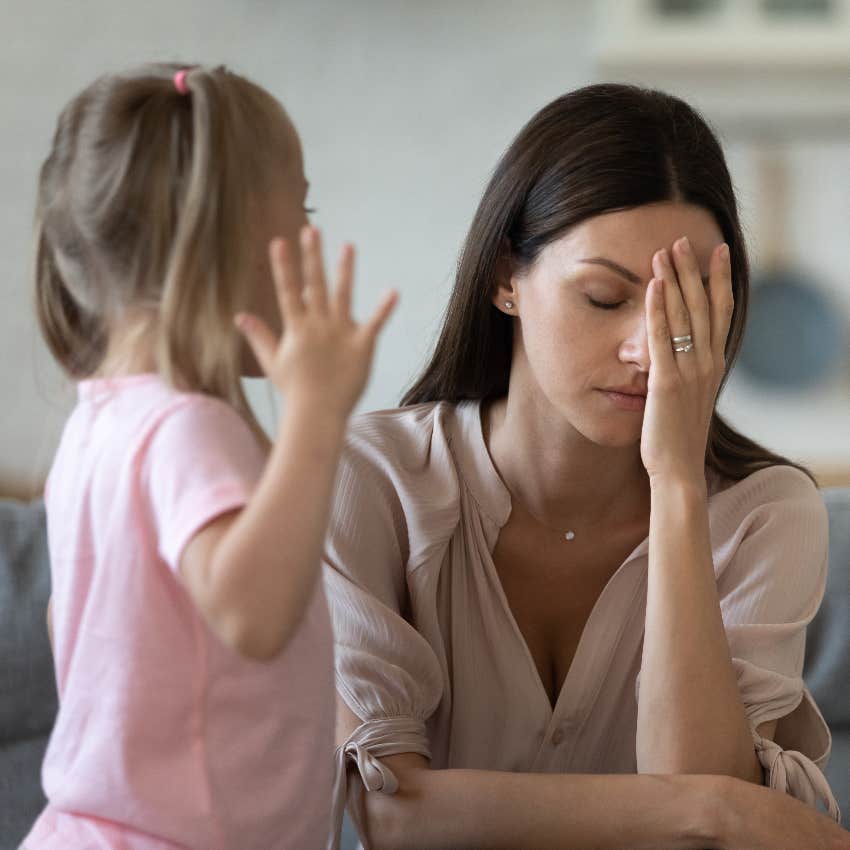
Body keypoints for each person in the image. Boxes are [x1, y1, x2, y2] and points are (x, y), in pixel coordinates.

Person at [325, 83, 849, 849]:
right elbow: (390, 817)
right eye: (605, 297)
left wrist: (675, 483)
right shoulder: (371, 479)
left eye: (686, 304)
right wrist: (715, 808)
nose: (646, 350)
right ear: (507, 277)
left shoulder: (767, 511)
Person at [23, 62, 396, 850]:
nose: (312, 238)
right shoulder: (188, 429)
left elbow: (76, 628)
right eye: (301, 209)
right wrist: (317, 415)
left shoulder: (97, 427)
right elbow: (253, 615)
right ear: (224, 236)